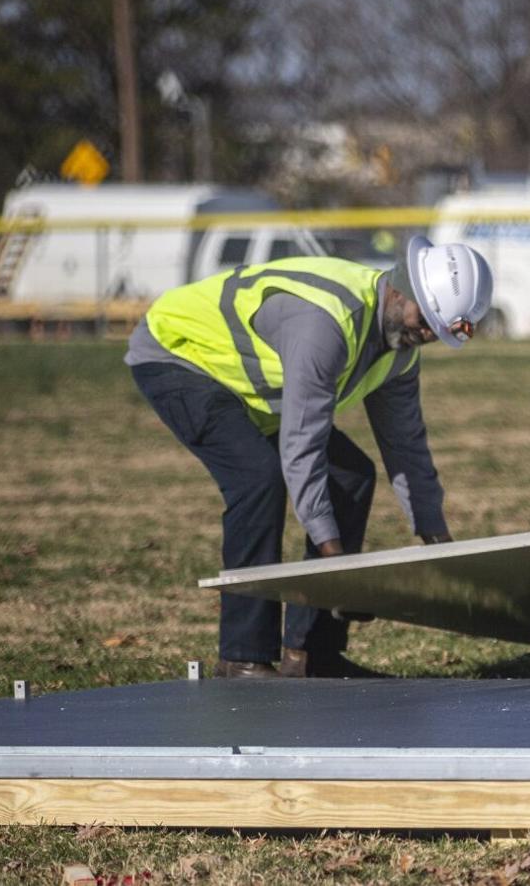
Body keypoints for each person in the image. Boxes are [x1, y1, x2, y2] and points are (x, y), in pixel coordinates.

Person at [125, 235, 493, 678]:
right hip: (179, 356)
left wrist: (437, 538)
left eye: (438, 331)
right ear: (401, 291)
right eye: (426, 320)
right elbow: (301, 450)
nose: (427, 335)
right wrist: (338, 566)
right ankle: (242, 657)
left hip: (253, 389)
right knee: (258, 479)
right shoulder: (325, 326)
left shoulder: (400, 353)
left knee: (352, 475)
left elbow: (406, 446)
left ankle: (312, 655)